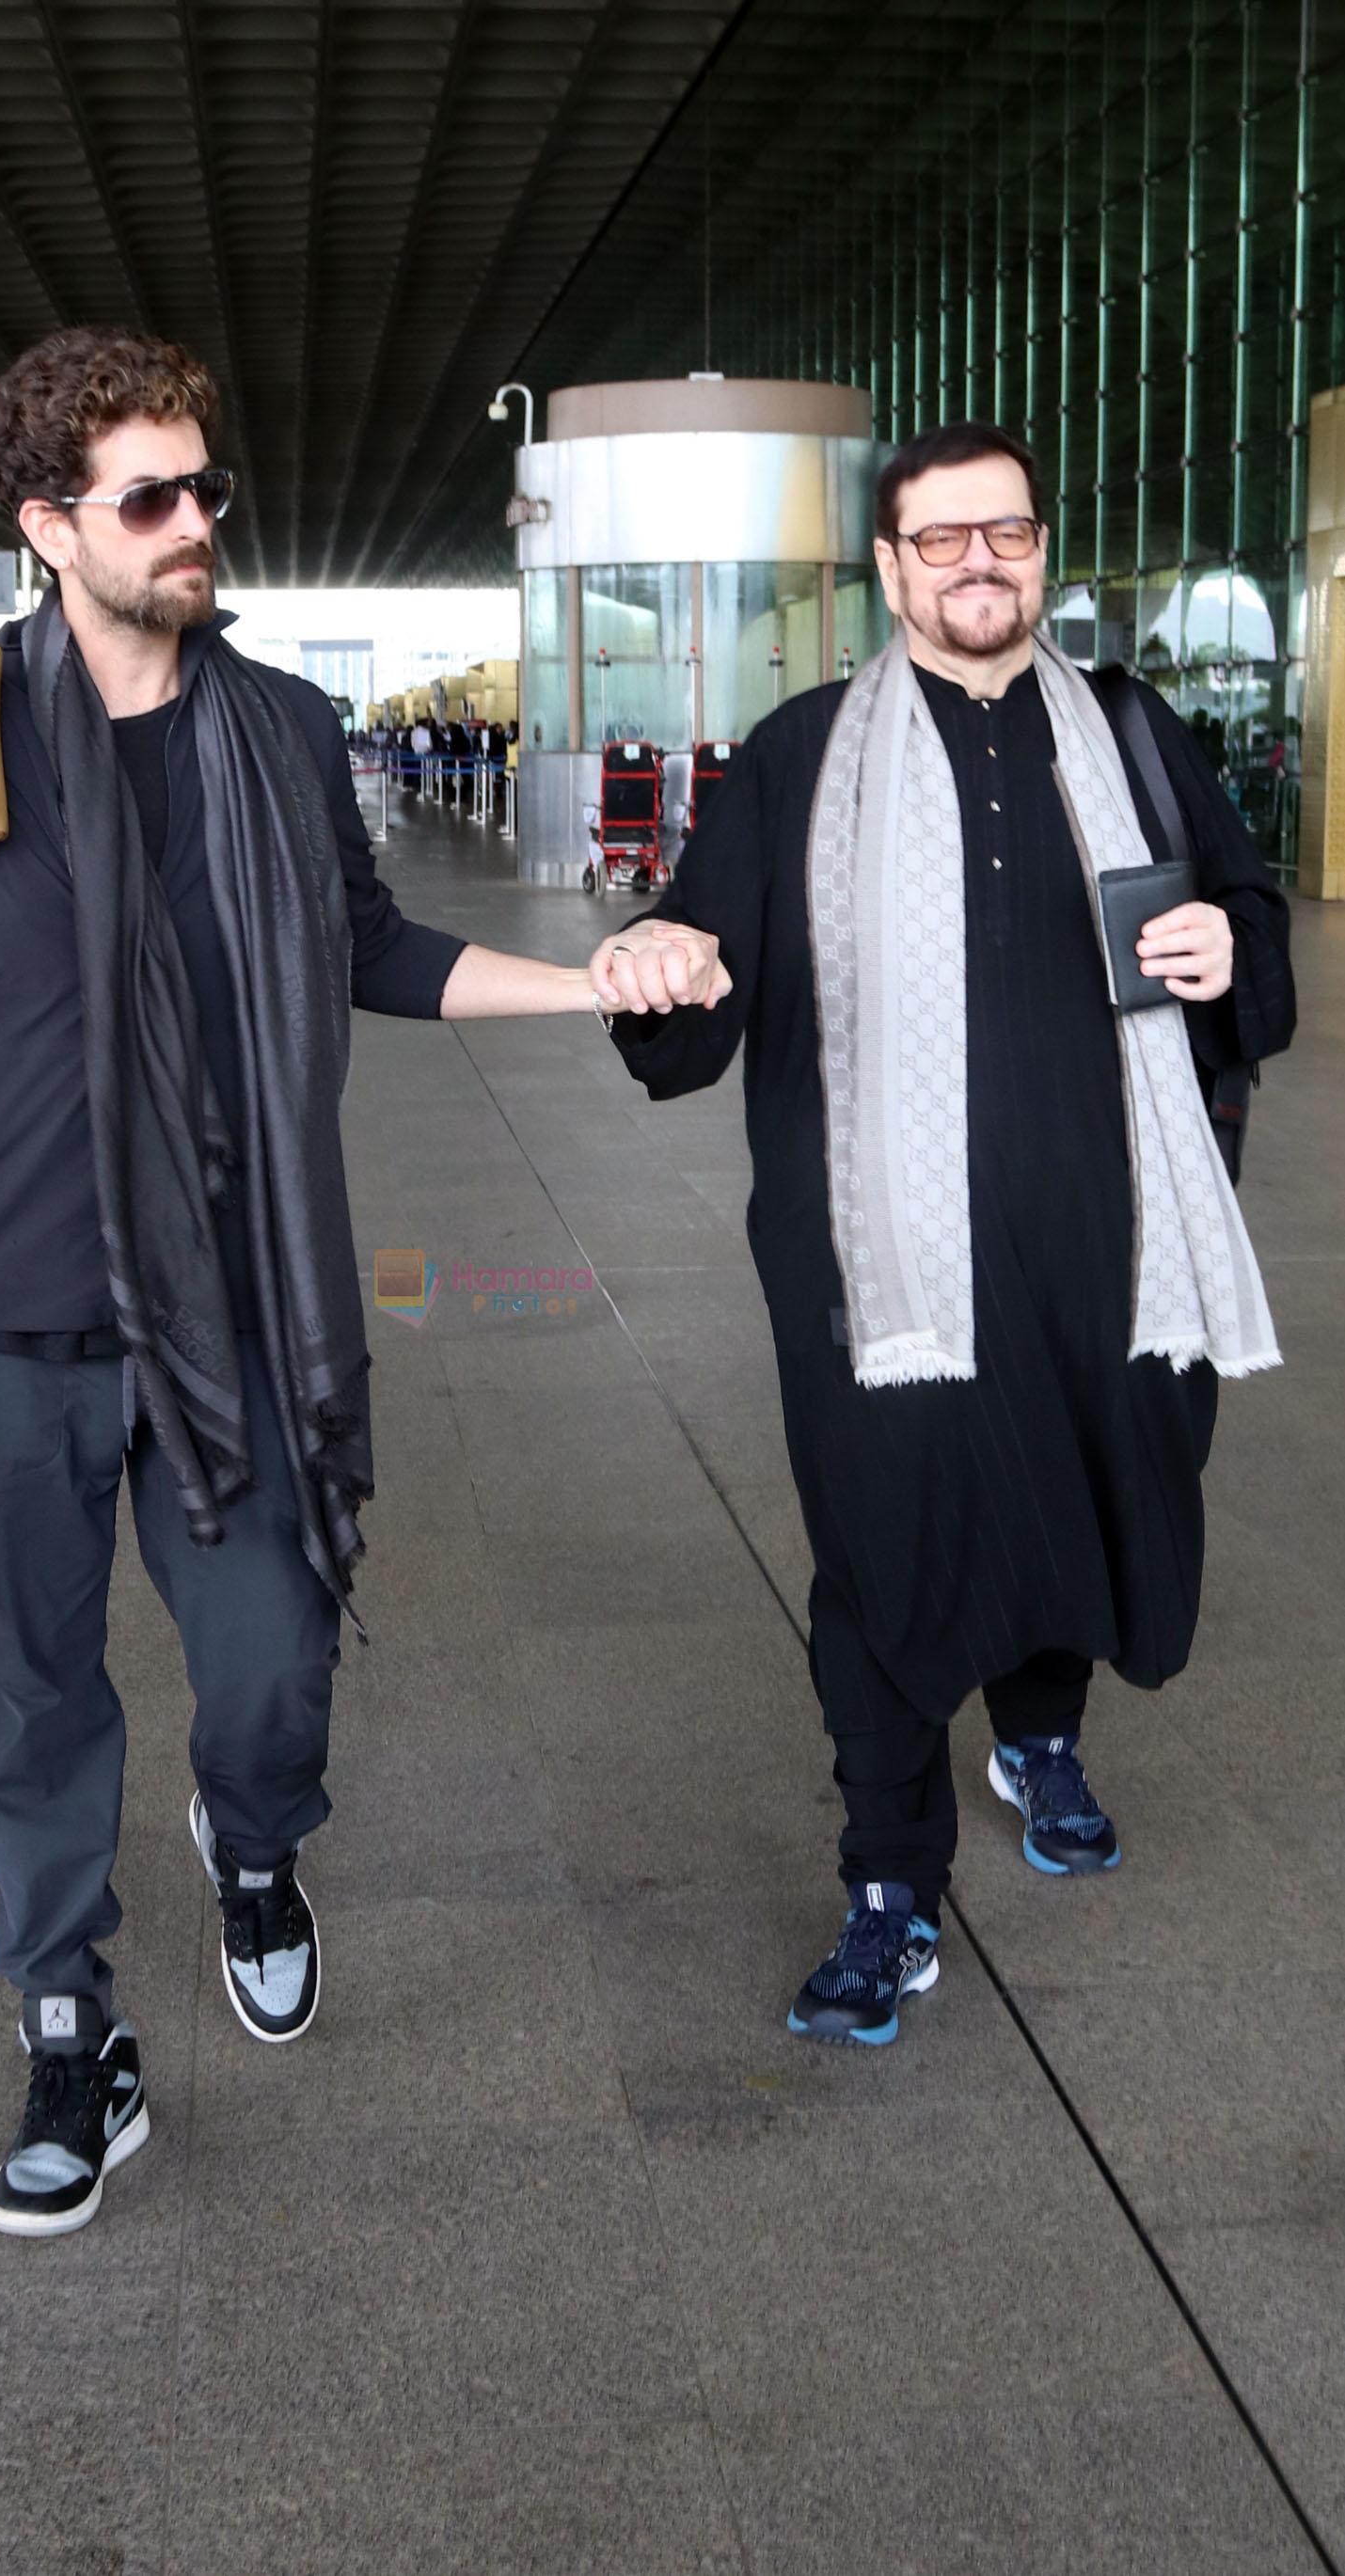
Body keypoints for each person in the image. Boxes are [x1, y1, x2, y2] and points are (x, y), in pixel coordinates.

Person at [0, 325, 721, 2236]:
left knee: (268, 1664)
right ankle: (66, 2020)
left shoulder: (269, 727)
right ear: (46, 524)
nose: (199, 525)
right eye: (151, 499)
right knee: (39, 1685)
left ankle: (252, 1840)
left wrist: (593, 975)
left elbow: (370, 945)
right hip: (4, 1307)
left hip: (234, 1299)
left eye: (209, 488)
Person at [589, 420, 1293, 2048]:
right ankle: (889, 1881)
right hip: (878, 1265)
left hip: (1116, 1245)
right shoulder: (798, 755)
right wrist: (661, 966)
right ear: (890, 568)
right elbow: (698, 985)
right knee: (886, 1552)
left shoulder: (1128, 726)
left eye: (1008, 535)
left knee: (1090, 1503)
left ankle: (1040, 1737)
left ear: (1038, 551)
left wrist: (1216, 933)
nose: (980, 563)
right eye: (942, 539)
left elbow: (1248, 922)